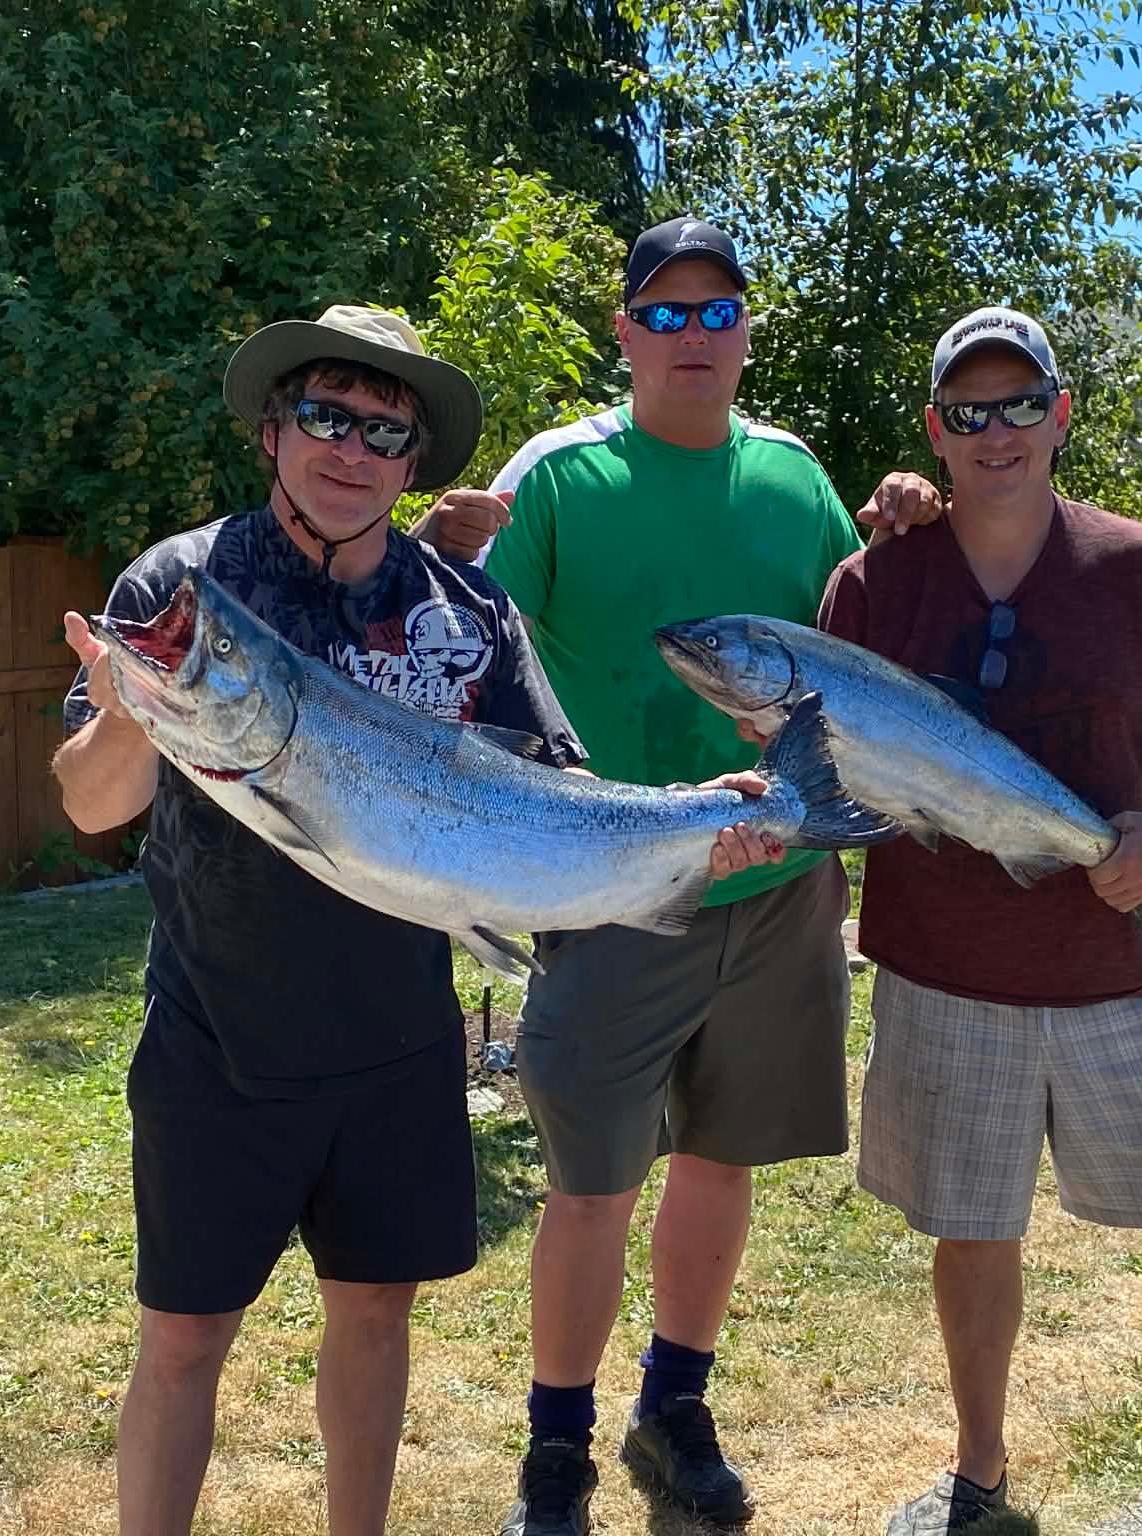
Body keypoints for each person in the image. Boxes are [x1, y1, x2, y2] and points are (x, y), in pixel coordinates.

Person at [53, 306, 773, 1536]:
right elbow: (89, 804)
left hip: (394, 1038)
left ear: (411, 461)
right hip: (214, 1033)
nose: (352, 450)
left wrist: (698, 828)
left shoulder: (466, 612)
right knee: (183, 1335)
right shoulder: (183, 589)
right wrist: (128, 707)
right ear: (275, 429)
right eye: (327, 416)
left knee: (375, 1312)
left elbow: (561, 794)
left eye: (385, 431)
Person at [416, 217, 939, 1536]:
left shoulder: (792, 479)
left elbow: (863, 643)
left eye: (719, 315)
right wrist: (439, 549)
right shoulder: (559, 477)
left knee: (722, 1158)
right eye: (667, 313)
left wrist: (908, 528)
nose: (694, 338)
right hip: (615, 887)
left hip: (779, 895)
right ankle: (557, 1450)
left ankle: (676, 1406)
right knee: (594, 1186)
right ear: (625, 332)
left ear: (749, 333)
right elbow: (462, 659)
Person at [817, 307, 1142, 1536]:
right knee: (972, 1235)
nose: (995, 432)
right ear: (934, 429)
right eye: (968, 412)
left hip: (1121, 967)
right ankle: (975, 1477)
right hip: (941, 973)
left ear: (1058, 415)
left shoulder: (1135, 567)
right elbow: (820, 763)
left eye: (1019, 404)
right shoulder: (870, 581)